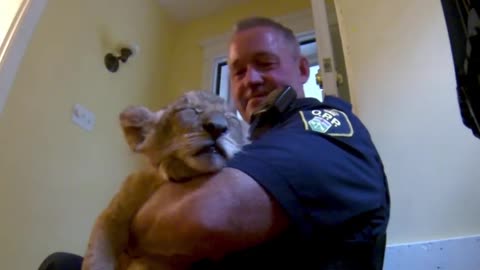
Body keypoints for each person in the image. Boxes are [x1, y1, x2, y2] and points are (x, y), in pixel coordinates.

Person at [39, 16, 390, 270]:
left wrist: (128, 218)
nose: (250, 80)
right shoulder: (251, 142)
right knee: (59, 264)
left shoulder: (322, 128)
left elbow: (200, 218)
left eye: (265, 64)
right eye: (237, 71)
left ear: (303, 69)